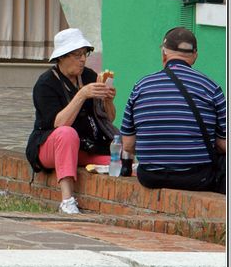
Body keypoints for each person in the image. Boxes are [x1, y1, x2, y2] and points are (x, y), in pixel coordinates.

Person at [120, 27, 227, 194]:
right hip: (197, 177)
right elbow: (224, 144)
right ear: (195, 56)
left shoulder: (140, 87)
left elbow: (127, 145)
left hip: (150, 177)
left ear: (164, 54)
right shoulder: (211, 88)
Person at [25, 28, 117, 214]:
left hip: (86, 146)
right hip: (49, 146)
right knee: (67, 134)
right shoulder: (46, 84)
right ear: (62, 57)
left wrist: (108, 101)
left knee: (120, 163)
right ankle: (67, 201)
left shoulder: (90, 76)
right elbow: (58, 124)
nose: (83, 59)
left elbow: (108, 119)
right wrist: (82, 94)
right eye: (77, 55)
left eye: (85, 54)